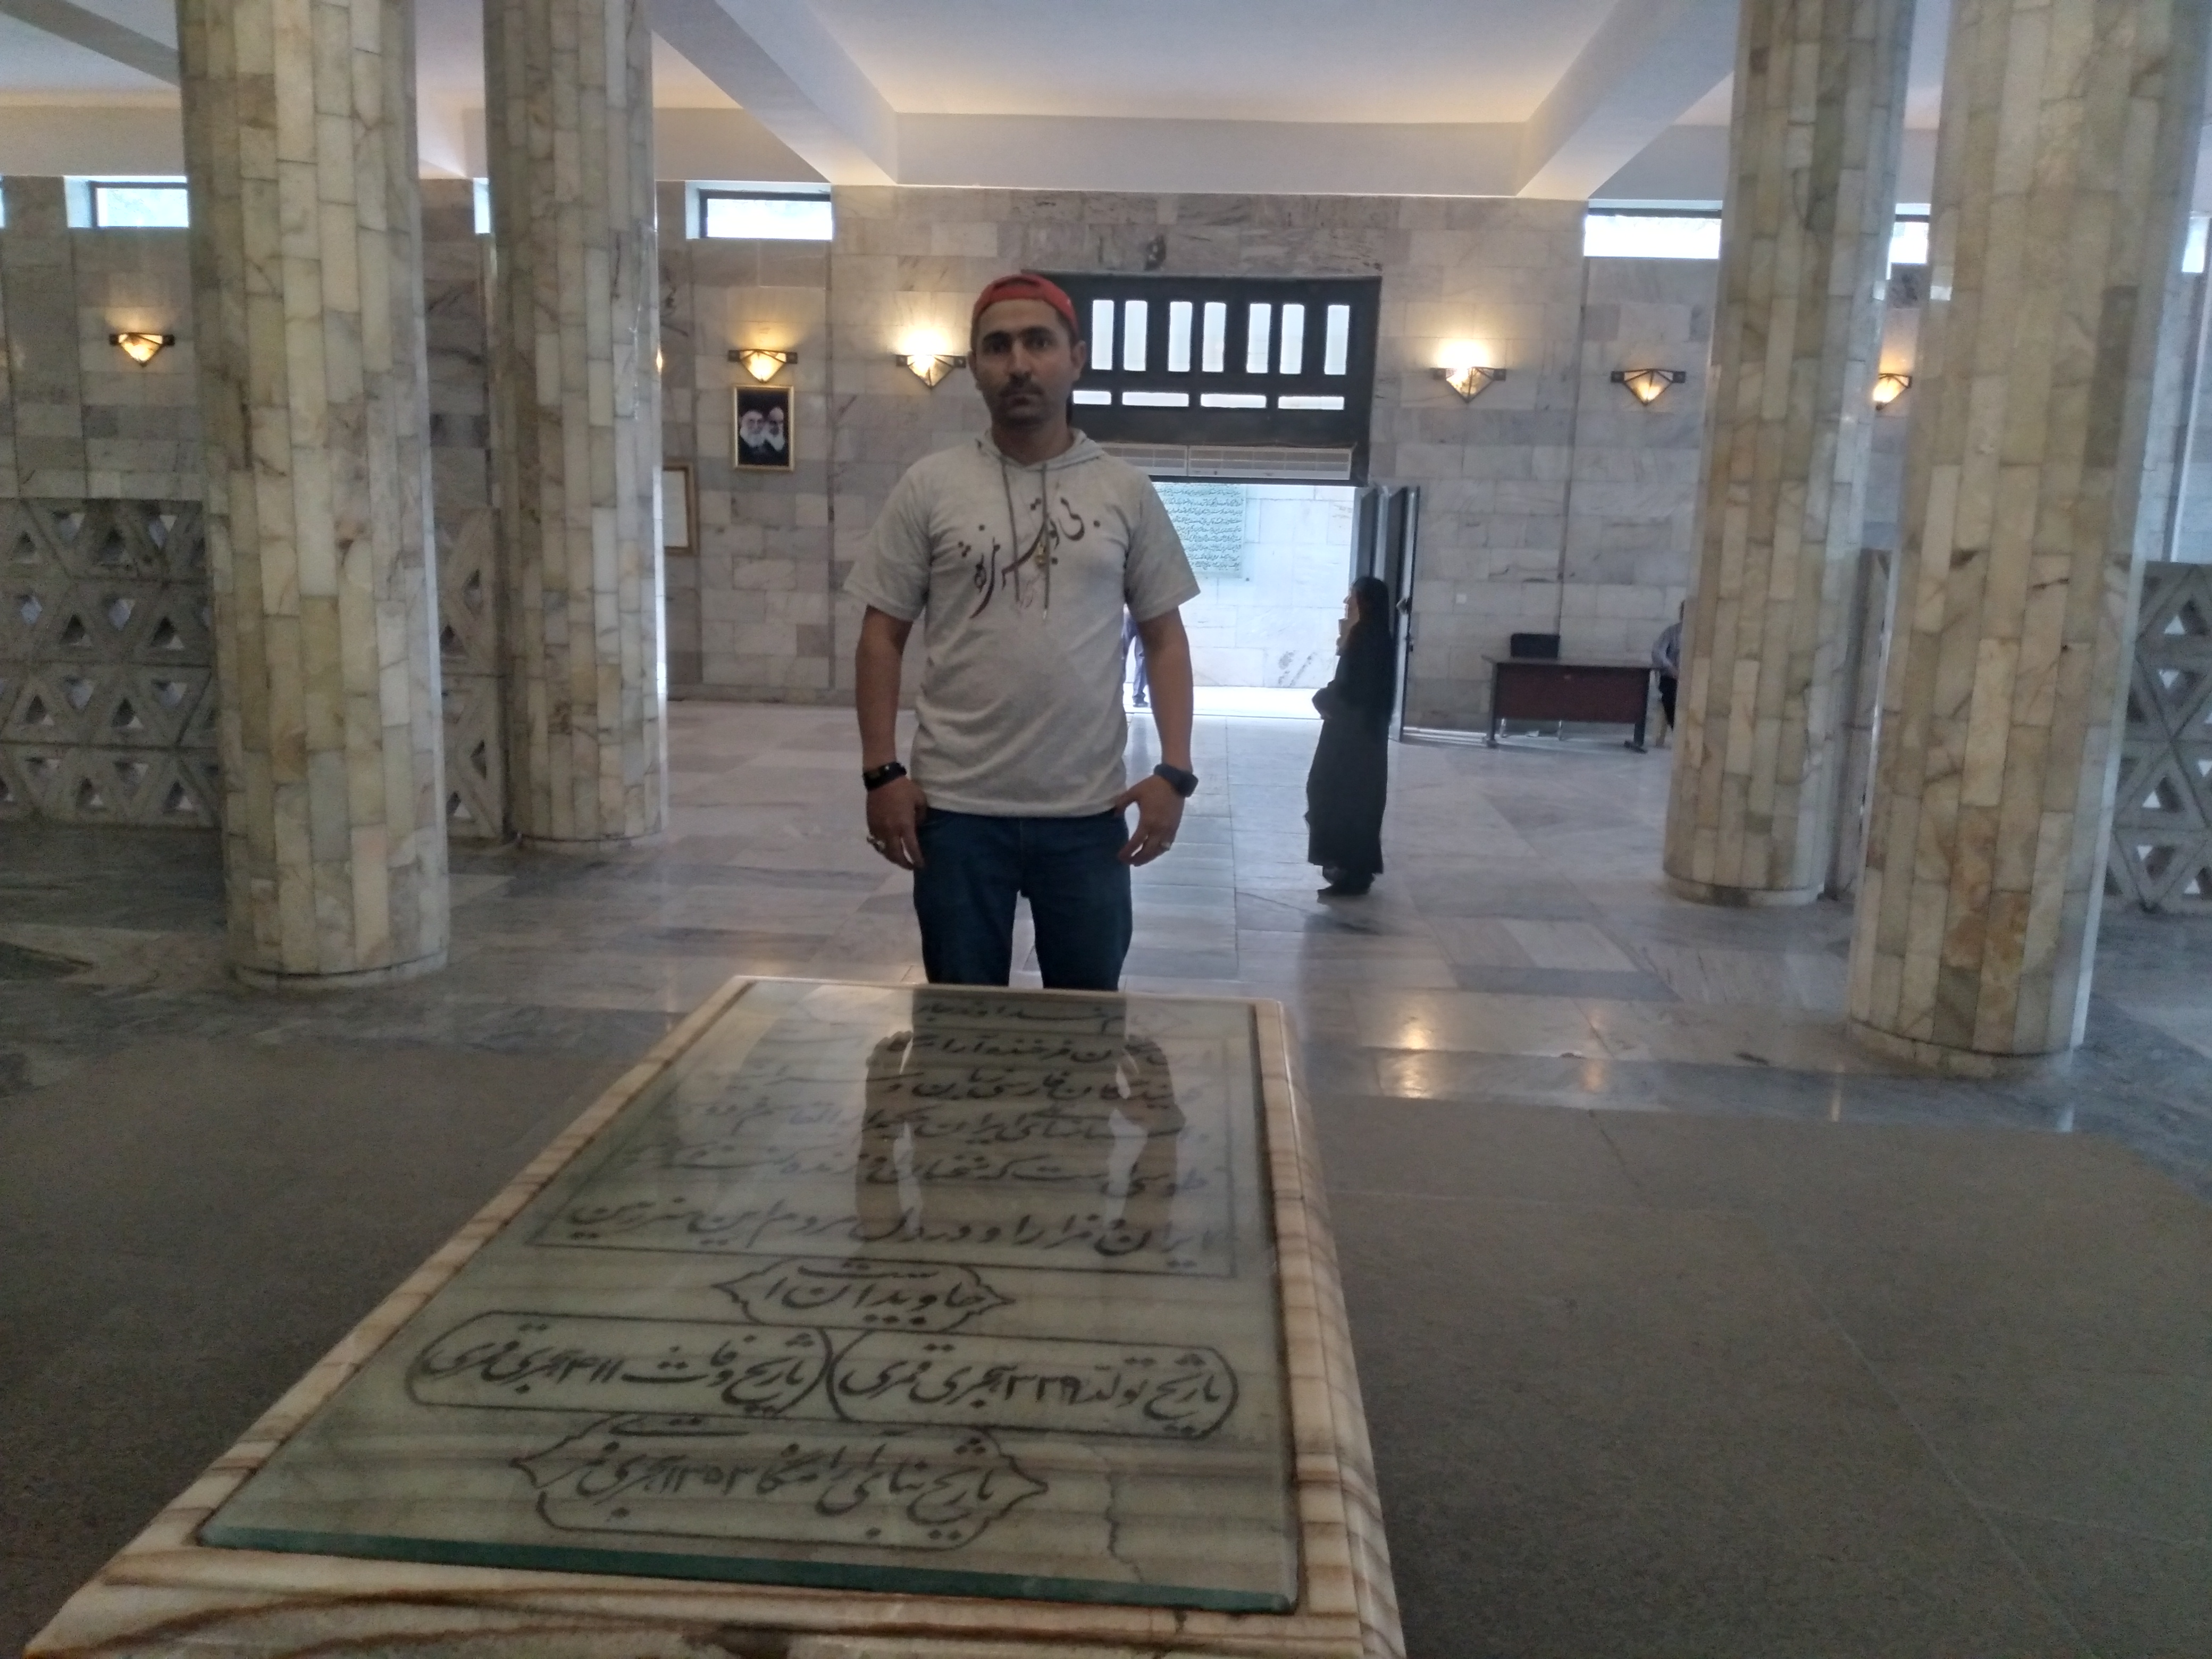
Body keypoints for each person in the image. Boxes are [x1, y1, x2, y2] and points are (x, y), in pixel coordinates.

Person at [847, 273, 1201, 991]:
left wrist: (1175, 771)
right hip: (955, 814)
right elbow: (881, 634)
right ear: (975, 367)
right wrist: (881, 772)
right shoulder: (930, 486)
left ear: (1076, 358)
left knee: (1086, 1015)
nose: (1018, 364)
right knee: (961, 1017)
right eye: (997, 346)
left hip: (1087, 812)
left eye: (1038, 343)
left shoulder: (1125, 491)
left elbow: (1164, 638)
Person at [1305, 575, 1396, 898]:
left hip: (1355, 738)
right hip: (1352, 733)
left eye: (1353, 597)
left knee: (1346, 799)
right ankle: (1345, 867)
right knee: (1335, 794)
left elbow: (1358, 692)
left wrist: (1325, 700)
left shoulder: (1369, 640)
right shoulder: (1366, 636)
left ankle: (1352, 871)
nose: (1347, 603)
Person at [1650, 602, 1683, 747]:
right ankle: (1680, 733)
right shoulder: (1671, 632)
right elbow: (1658, 652)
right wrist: (1671, 668)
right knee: (1671, 698)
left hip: (1695, 680)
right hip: (1672, 678)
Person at [1121, 608, 1151, 708]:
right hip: (1145, 613)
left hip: (1127, 613)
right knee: (1142, 657)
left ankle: (1118, 695)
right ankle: (1138, 698)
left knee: (1121, 655)